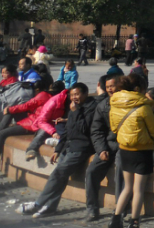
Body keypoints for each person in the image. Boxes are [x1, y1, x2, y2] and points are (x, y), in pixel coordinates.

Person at [17, 84, 97, 219]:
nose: (74, 97)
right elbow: (67, 130)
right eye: (72, 95)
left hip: (81, 148)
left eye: (77, 94)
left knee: (58, 173)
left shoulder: (92, 107)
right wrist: (58, 149)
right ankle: (50, 207)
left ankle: (38, 204)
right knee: (60, 176)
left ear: (85, 93)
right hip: (68, 146)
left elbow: (84, 128)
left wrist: (75, 112)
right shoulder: (74, 107)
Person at [107, 76, 154, 228]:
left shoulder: (115, 103)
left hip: (124, 149)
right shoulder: (144, 107)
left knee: (127, 187)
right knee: (138, 190)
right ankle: (134, 225)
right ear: (138, 89)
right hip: (142, 150)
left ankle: (115, 220)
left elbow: (114, 128)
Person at [0, 79, 52, 173]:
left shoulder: (42, 95)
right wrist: (11, 110)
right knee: (11, 112)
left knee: (2, 134)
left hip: (33, 124)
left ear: (38, 90)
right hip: (33, 119)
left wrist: (10, 109)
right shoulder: (47, 95)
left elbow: (27, 105)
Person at [84, 75, 124, 222]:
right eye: (107, 87)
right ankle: (92, 208)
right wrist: (101, 149)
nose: (110, 89)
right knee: (91, 171)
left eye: (112, 86)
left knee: (121, 169)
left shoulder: (128, 102)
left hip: (125, 145)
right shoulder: (103, 105)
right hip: (108, 145)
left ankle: (121, 208)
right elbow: (97, 130)